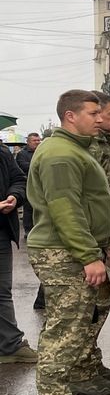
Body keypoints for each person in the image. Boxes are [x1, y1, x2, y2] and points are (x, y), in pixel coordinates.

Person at [25, 89, 110, 395]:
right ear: (70, 116)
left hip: (65, 249)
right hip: (63, 252)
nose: (99, 118)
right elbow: (66, 210)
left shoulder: (70, 149)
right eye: (92, 113)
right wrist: (89, 256)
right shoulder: (61, 154)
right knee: (64, 331)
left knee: (65, 329)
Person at [67, 91, 110, 395]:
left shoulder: (101, 145)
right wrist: (96, 246)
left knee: (99, 306)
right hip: (99, 242)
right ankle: (81, 371)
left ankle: (91, 361)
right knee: (91, 308)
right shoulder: (89, 148)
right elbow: (85, 200)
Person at [0, 139, 34, 364]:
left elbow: (19, 179)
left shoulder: (2, 153)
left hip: (1, 231)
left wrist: (14, 196)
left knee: (2, 291)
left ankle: (10, 346)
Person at [16, 132, 38, 236]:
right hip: (28, 184)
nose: (37, 142)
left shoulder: (40, 151)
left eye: (38, 140)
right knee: (28, 208)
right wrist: (39, 165)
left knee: (39, 207)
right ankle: (28, 230)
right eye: (34, 140)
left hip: (40, 184)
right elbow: (24, 167)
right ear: (28, 142)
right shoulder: (22, 154)